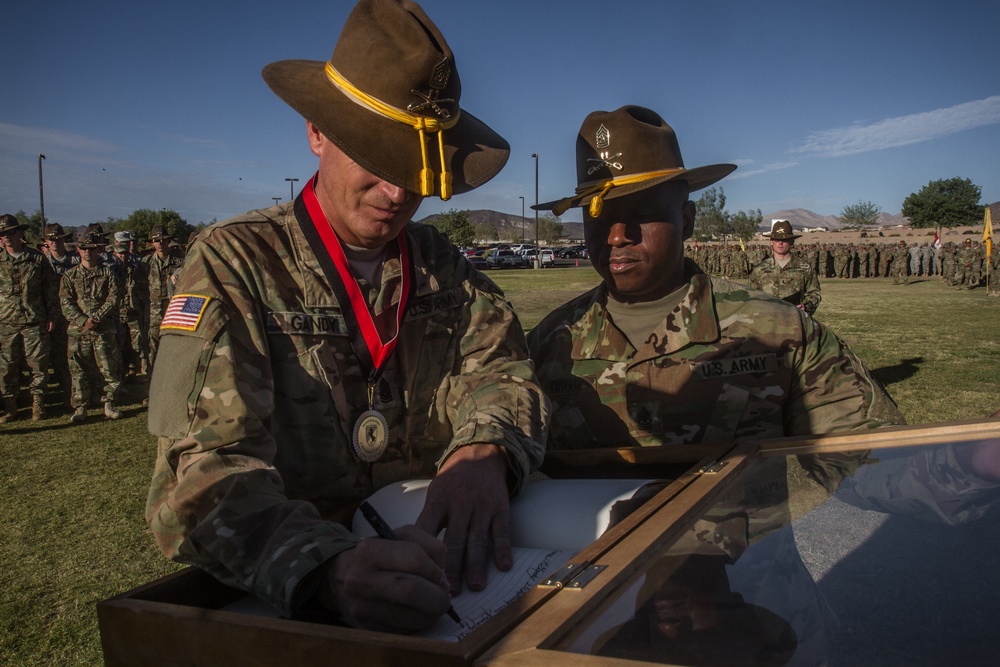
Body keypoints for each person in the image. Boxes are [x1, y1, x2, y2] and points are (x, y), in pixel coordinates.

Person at [145, 0, 546, 634]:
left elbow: (504, 368)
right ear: (316, 131)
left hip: (437, 570)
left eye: (415, 168)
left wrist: (487, 448)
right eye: (379, 162)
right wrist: (325, 568)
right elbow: (198, 479)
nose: (398, 193)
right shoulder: (236, 262)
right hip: (312, 606)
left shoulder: (438, 261)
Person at [60, 231, 124, 423]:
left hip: (103, 329)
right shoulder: (69, 276)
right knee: (78, 370)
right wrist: (82, 320)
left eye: (92, 248)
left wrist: (96, 317)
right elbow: (65, 302)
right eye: (84, 249)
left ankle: (109, 403)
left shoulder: (108, 273)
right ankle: (81, 406)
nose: (88, 252)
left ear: (98, 250)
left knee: (108, 368)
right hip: (78, 331)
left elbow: (114, 298)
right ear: (78, 250)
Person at [0, 214, 59, 422]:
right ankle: (10, 406)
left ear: (20, 233)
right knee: (7, 367)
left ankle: (38, 404)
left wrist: (52, 314)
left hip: (34, 320)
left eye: (11, 232)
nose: (7, 237)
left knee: (38, 365)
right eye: (3, 234)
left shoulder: (36, 258)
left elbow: (50, 289)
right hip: (6, 323)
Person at [748, 220, 822, 316]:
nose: (780, 243)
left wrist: (806, 306)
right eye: (776, 239)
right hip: (767, 321)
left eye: (785, 239)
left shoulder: (805, 268)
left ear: (792, 241)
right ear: (771, 242)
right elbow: (750, 296)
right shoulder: (759, 270)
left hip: (795, 320)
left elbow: (814, 293)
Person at [143, 225, 182, 371]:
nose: (160, 243)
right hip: (153, 311)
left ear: (168, 241)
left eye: (163, 240)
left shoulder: (179, 262)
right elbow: (139, 288)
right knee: (152, 345)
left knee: (174, 343)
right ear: (152, 243)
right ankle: (152, 376)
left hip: (173, 310)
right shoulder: (145, 263)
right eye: (156, 240)